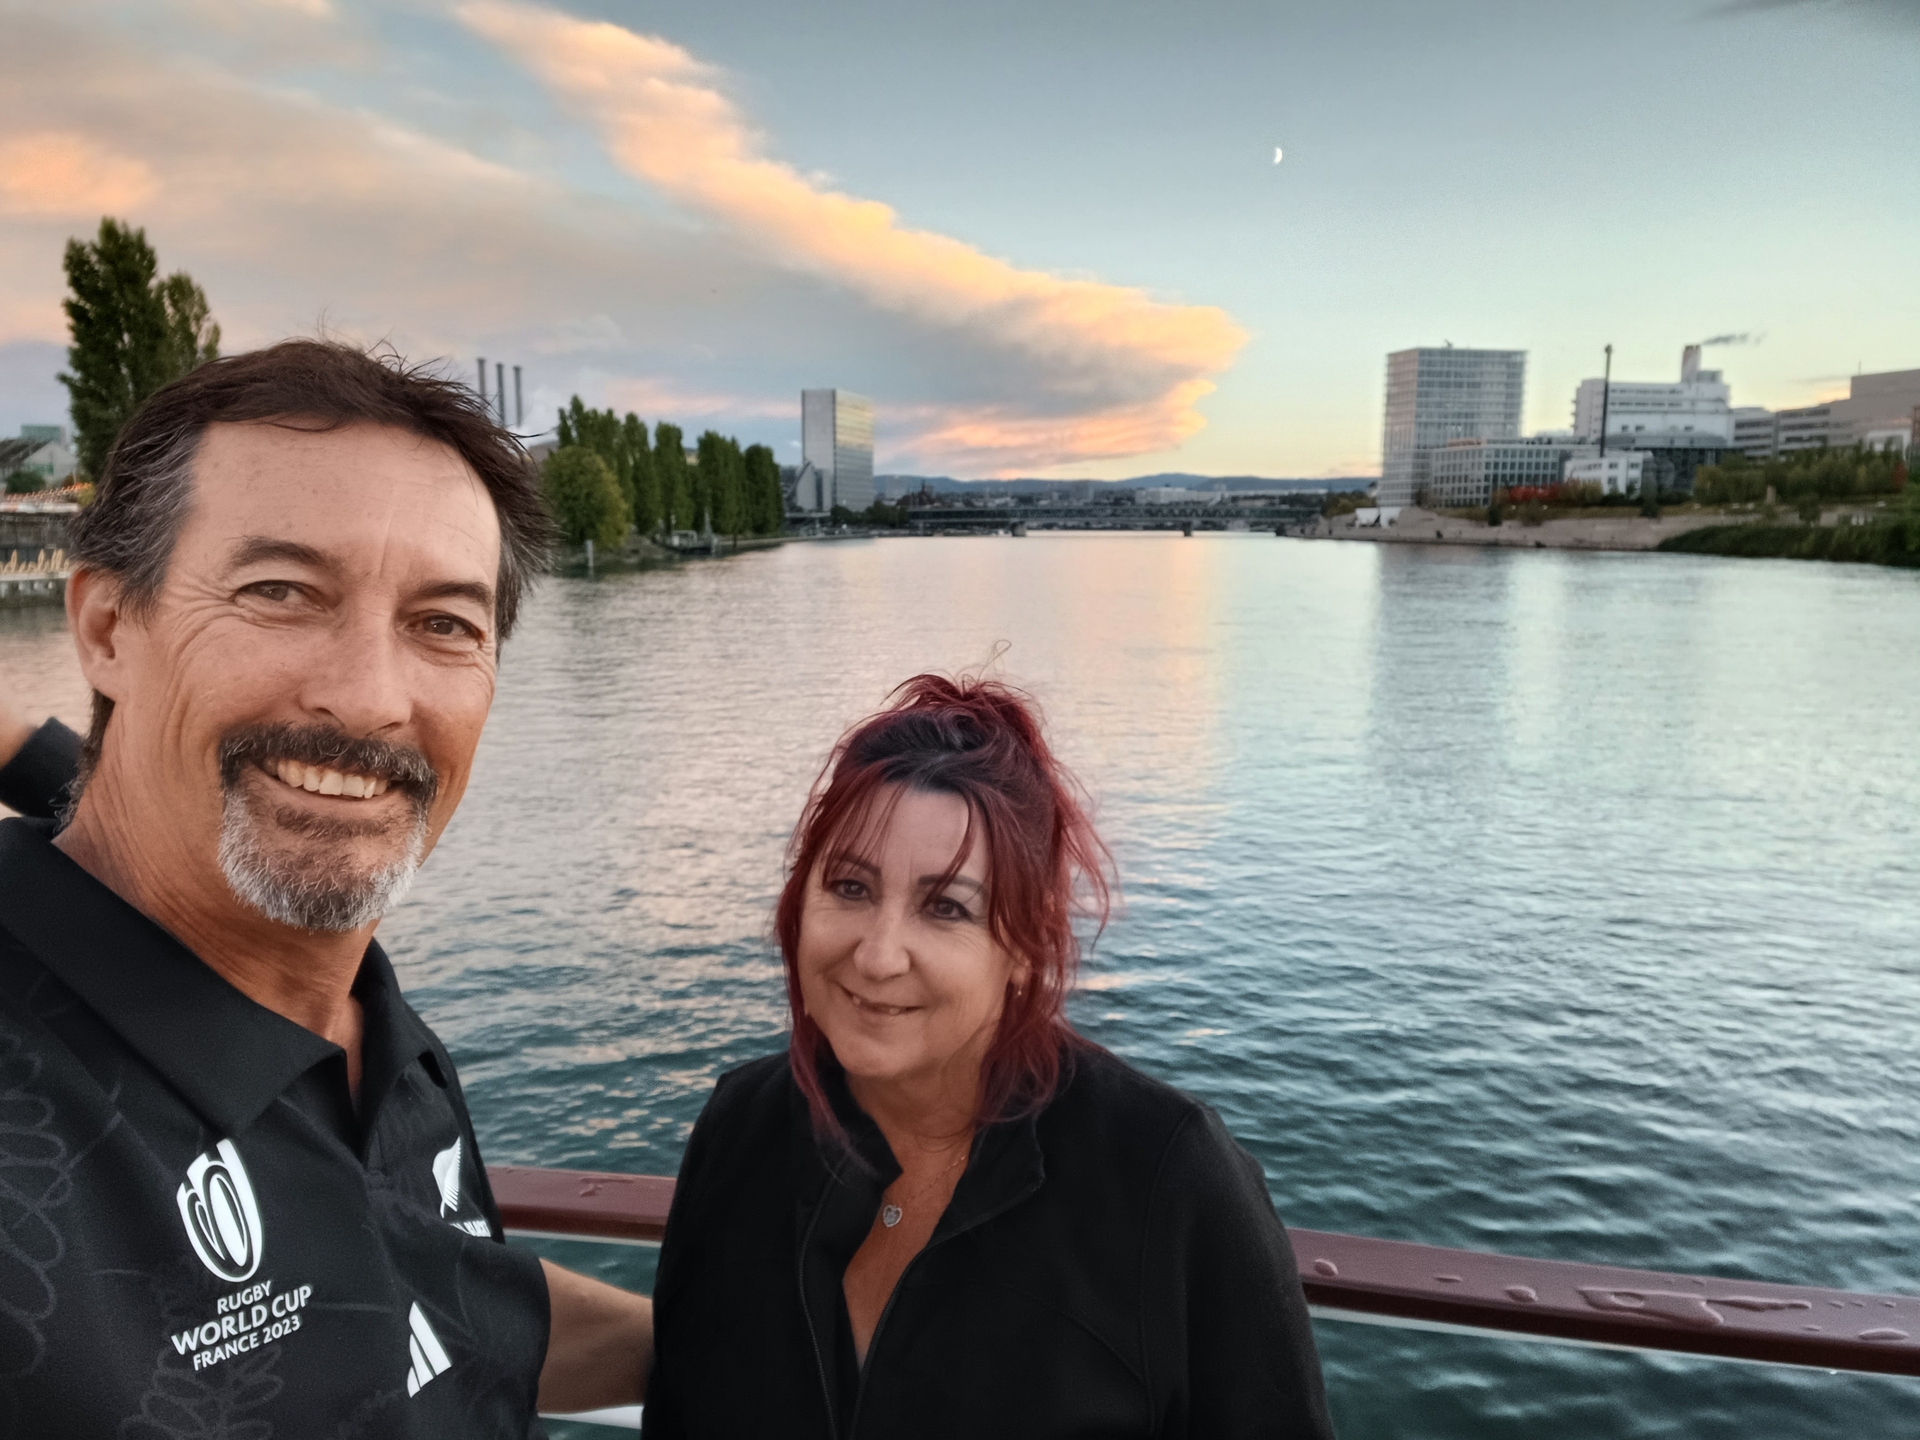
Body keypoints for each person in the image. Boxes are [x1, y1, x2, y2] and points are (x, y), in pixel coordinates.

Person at [0, 341, 649, 1435]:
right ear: (109, 628)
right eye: (281, 592)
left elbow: (426, 1303)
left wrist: (835, 1356)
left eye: (443, 623)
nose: (368, 697)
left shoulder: (369, 1028)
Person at [643, 676, 1335, 1438]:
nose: (877, 956)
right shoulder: (740, 1130)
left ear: (1025, 944)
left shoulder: (1167, 1181)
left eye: (946, 907)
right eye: (850, 886)